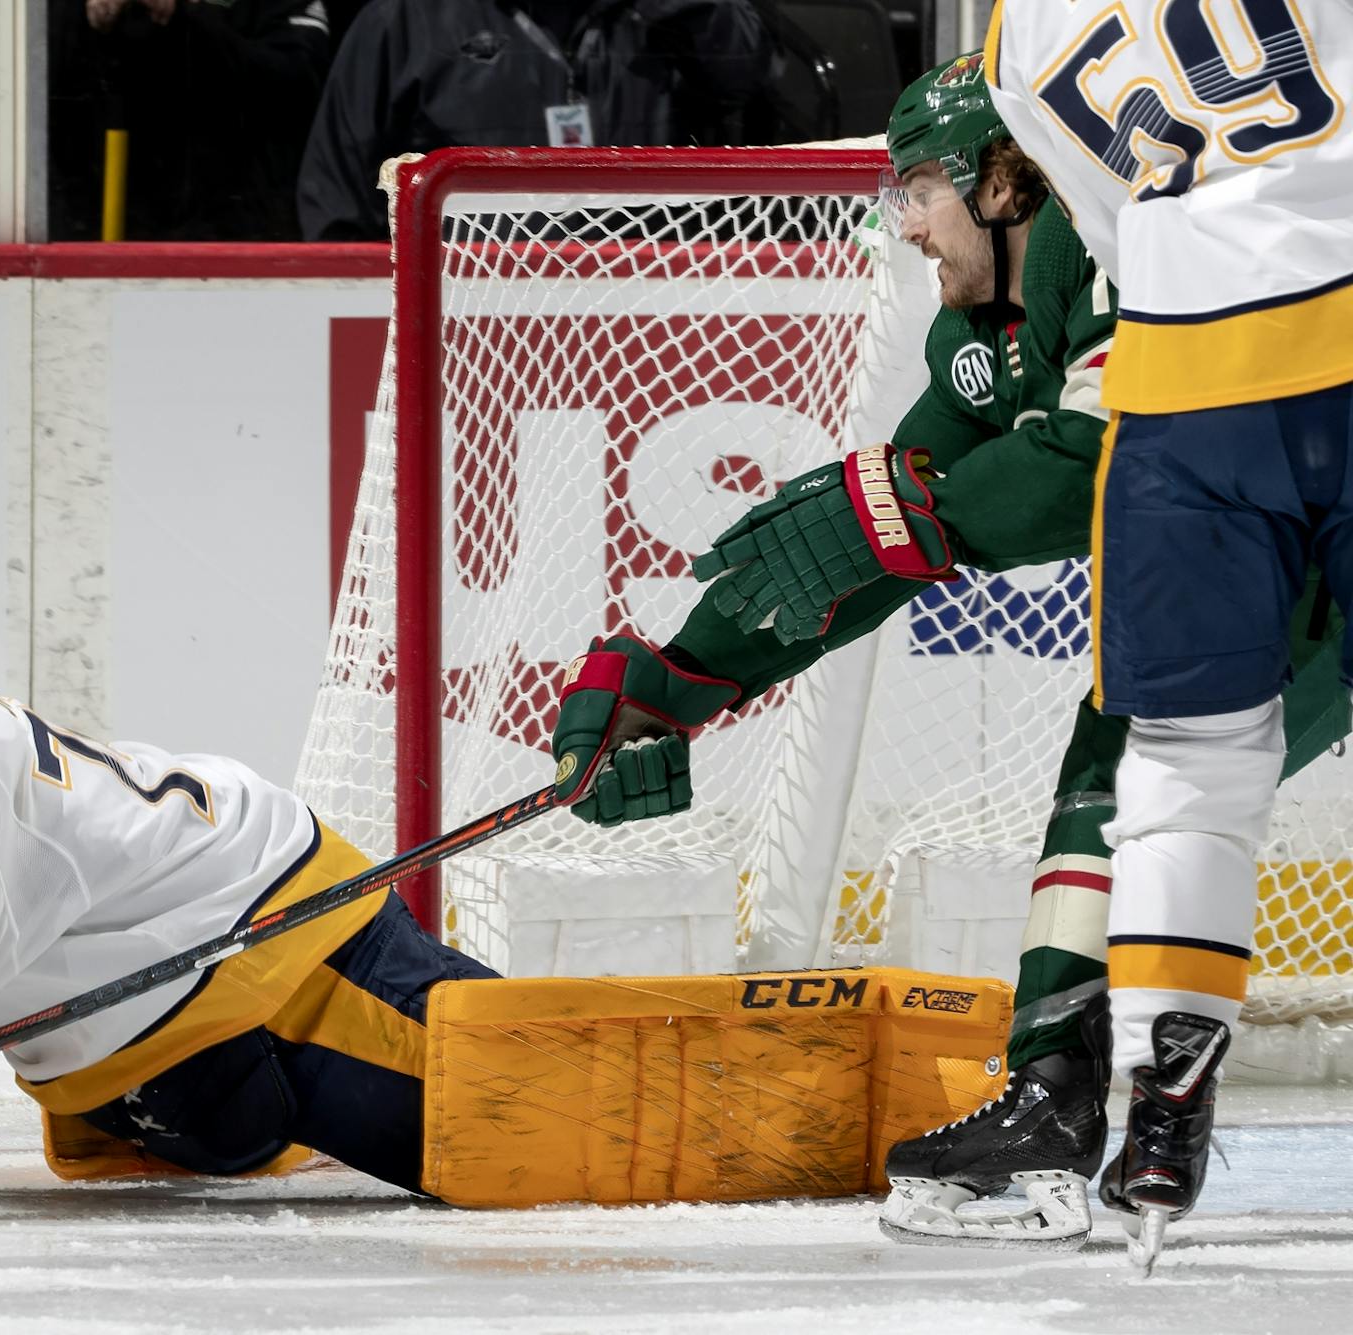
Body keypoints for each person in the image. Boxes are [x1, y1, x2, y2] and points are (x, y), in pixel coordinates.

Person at [0, 542, 999, 1208]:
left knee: (528, 1121)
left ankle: (904, 1082)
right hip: (147, 1045)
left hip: (265, 948)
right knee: (311, 1126)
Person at [546, 53, 1348, 1248]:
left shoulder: (1118, 245)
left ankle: (1067, 1097)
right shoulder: (983, 333)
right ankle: (1062, 1096)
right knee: (1119, 755)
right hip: (1277, 545)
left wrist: (906, 516)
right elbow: (876, 539)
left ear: (1006, 182)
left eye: (918, 186)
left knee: (1130, 756)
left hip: (1315, 525)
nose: (906, 222)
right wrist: (688, 679)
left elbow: (1096, 461)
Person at [979, 4, 1353, 1264]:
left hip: (1186, 385)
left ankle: (1163, 1103)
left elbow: (1109, 237)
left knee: (1191, 761)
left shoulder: (1015, 36)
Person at [294, 0, 771, 241]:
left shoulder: (664, 14)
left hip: (640, 305)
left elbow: (745, 78)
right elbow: (336, 192)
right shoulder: (403, 17)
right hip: (465, 312)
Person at [48, 0, 330, 240]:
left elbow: (299, 86)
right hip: (94, 233)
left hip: (237, 236)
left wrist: (183, 20)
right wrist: (85, 18)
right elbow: (20, 88)